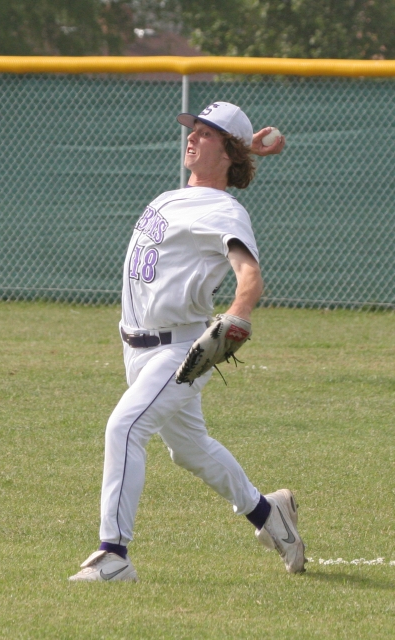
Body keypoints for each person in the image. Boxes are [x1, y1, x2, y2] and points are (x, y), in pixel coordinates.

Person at [69, 102, 306, 582]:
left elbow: (250, 275)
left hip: (177, 352)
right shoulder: (176, 196)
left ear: (226, 151)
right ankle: (268, 513)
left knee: (125, 428)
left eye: (205, 133)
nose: (192, 137)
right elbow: (225, 157)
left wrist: (238, 315)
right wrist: (243, 148)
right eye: (193, 129)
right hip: (136, 348)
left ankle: (113, 556)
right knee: (189, 449)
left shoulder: (225, 211)